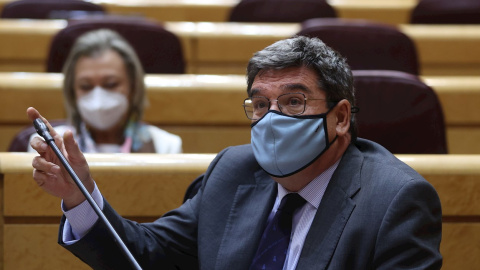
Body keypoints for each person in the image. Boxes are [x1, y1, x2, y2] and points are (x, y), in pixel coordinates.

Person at [28, 36, 442, 269]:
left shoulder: (394, 200)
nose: (272, 119)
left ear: (340, 117)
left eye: (294, 102)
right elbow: (149, 255)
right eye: (260, 105)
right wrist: (80, 195)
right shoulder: (234, 170)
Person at [27, 28, 182, 154]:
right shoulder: (47, 146)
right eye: (86, 86)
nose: (98, 97)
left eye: (111, 84)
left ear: (133, 87)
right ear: (73, 91)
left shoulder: (166, 147)